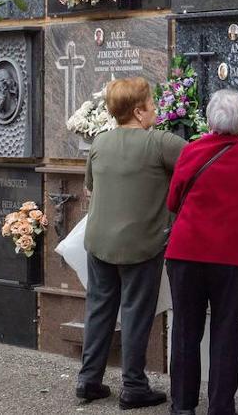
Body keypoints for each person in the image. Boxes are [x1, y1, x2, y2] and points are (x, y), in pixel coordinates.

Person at [165, 89, 238, 415]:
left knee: (186, 331)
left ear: (210, 119)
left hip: (185, 254)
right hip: (232, 259)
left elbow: (173, 202)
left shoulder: (191, 151)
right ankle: (220, 408)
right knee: (225, 335)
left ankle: (183, 407)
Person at [78, 77, 181, 409]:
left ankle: (88, 380)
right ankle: (134, 386)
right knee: (136, 313)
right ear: (138, 111)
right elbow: (201, 163)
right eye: (152, 103)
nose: (155, 108)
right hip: (141, 244)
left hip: (99, 241)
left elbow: (90, 188)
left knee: (98, 309)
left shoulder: (100, 142)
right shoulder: (161, 143)